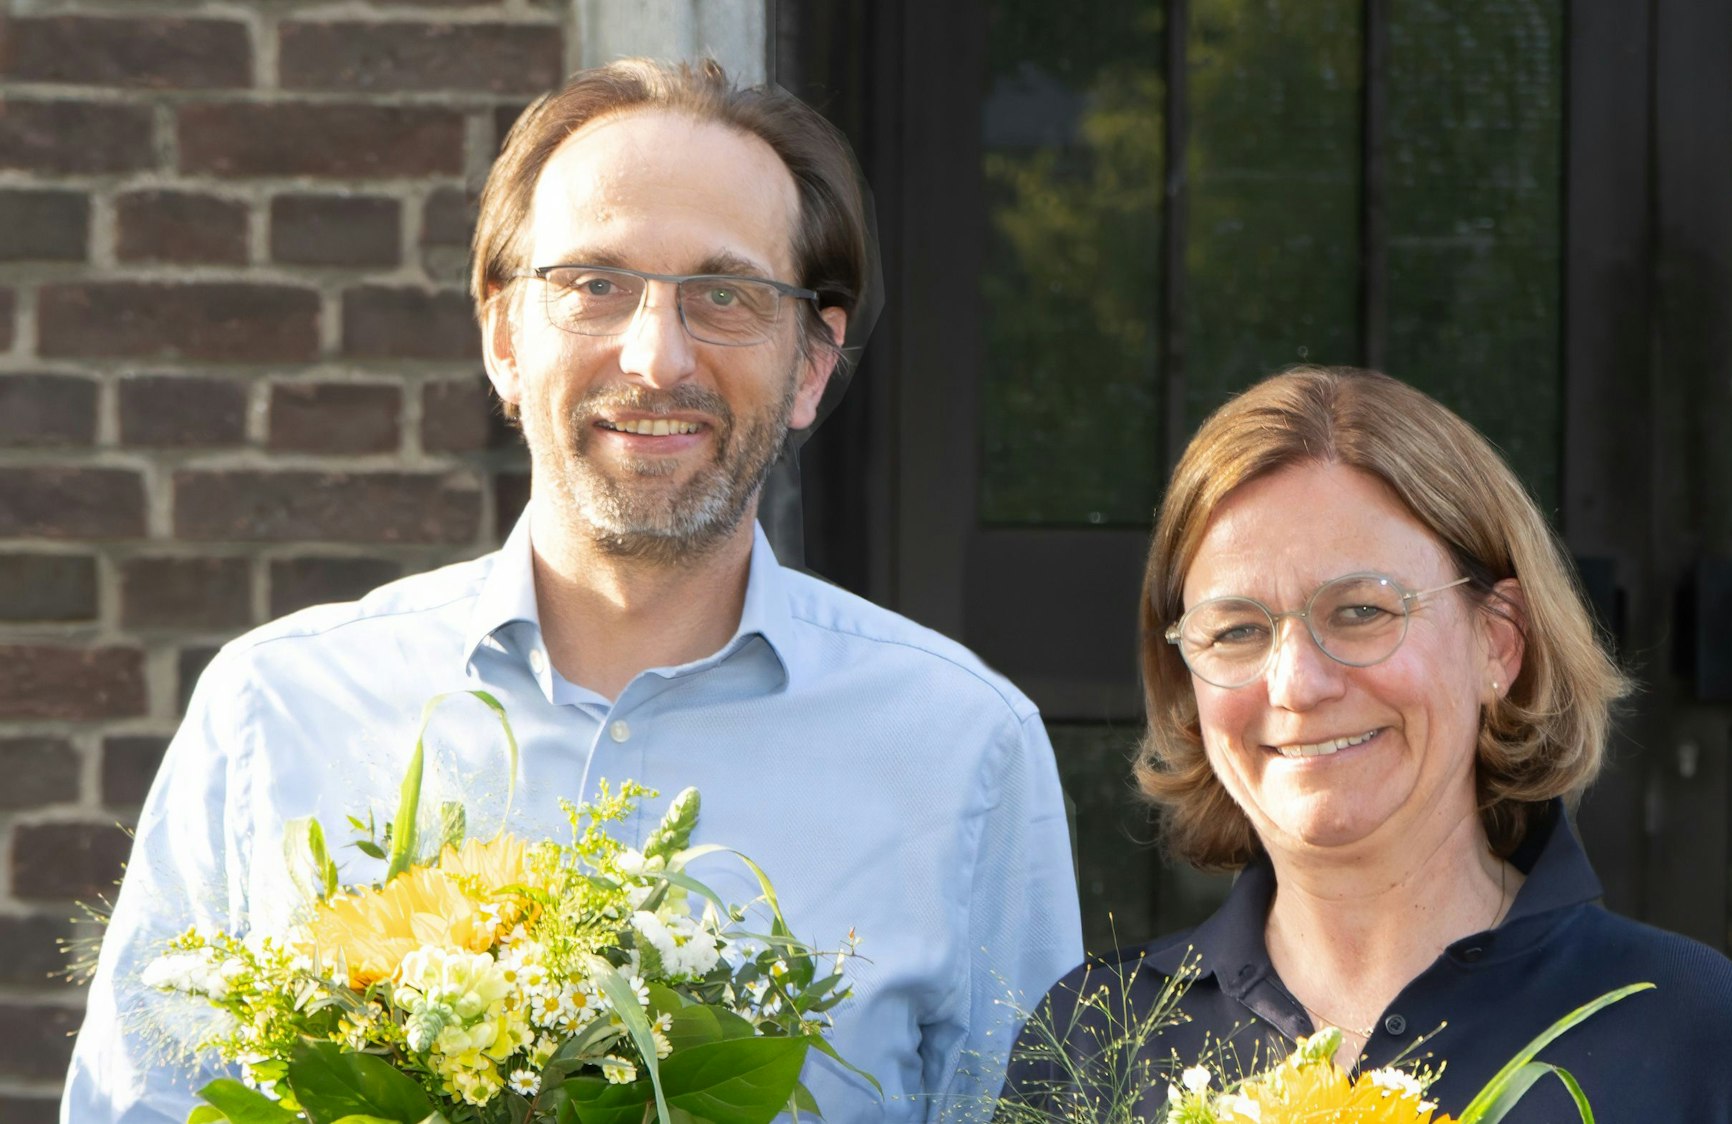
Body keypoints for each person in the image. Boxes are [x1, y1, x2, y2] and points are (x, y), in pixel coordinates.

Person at [65, 58, 1082, 1123]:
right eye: (595, 284)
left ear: (813, 361)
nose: (655, 356)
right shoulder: (272, 718)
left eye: (724, 295)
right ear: (504, 334)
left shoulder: (964, 747)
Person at [1006, 366, 1732, 1121]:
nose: (1295, 685)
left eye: (1360, 611)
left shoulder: (1681, 1030)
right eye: (1237, 629)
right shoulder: (1095, 1039)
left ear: (1498, 642)